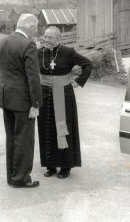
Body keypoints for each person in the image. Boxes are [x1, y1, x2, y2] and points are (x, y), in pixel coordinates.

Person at [0, 13, 42, 188]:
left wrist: (4, 92)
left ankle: (12, 176)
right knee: (24, 139)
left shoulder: (2, 42)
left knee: (12, 138)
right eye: (35, 27)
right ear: (29, 26)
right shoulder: (28, 44)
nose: (36, 31)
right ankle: (21, 178)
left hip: (6, 98)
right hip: (23, 101)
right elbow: (33, 77)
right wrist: (35, 103)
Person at [37, 26, 92, 179]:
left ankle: (66, 167)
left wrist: (79, 81)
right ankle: (50, 165)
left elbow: (87, 64)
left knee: (63, 128)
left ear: (58, 39)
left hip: (63, 94)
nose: (46, 40)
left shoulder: (68, 52)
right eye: (45, 36)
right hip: (44, 93)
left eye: (50, 37)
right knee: (46, 129)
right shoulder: (39, 52)